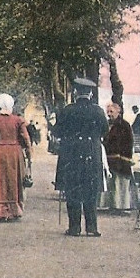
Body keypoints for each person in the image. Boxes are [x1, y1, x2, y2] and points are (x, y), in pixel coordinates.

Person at [54, 78, 109, 237]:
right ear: (91, 93)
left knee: (73, 190)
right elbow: (105, 131)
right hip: (92, 152)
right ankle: (92, 227)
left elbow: (57, 131)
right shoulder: (98, 111)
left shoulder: (68, 110)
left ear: (76, 92)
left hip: (71, 153)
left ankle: (74, 228)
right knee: (91, 190)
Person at [0, 93, 31, 221]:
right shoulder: (18, 120)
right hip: (15, 152)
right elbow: (26, 139)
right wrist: (29, 154)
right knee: (13, 179)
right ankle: (14, 208)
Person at [100, 101, 135, 211]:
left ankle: (120, 206)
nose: (109, 114)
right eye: (108, 112)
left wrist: (122, 156)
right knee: (109, 182)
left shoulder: (124, 125)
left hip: (120, 158)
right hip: (108, 158)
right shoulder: (106, 124)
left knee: (119, 182)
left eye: (111, 112)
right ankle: (110, 204)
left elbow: (129, 142)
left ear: (118, 112)